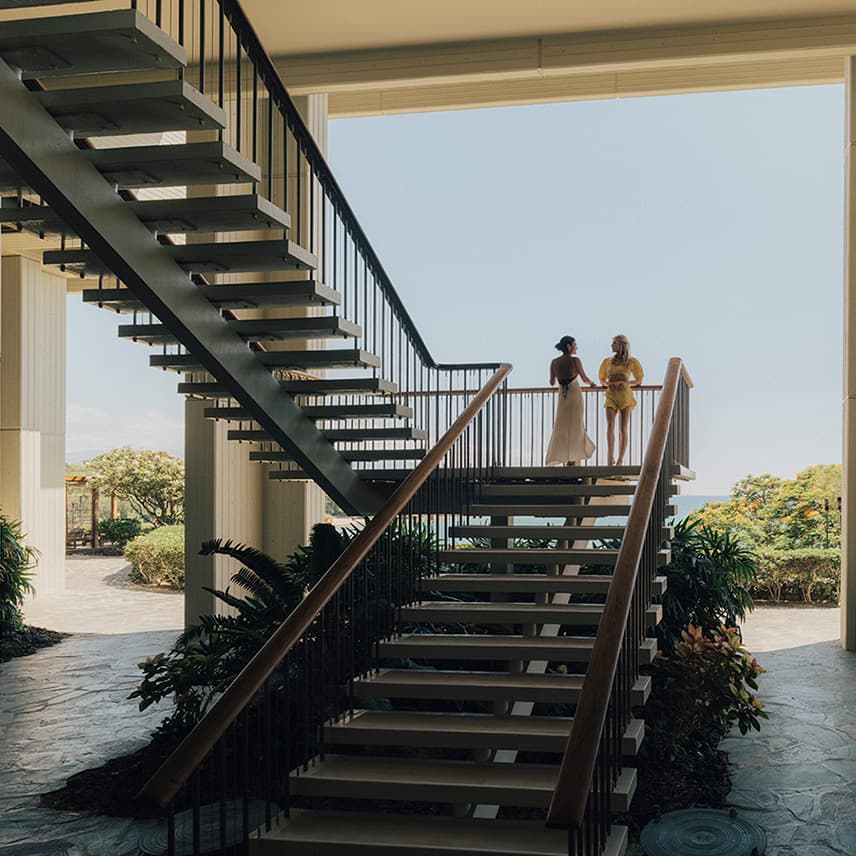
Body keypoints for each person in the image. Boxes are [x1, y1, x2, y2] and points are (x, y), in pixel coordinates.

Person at [545, 335, 596, 466]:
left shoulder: (554, 362)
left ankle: (565, 458)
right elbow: (584, 378)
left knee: (562, 426)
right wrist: (592, 383)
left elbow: (551, 382)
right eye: (575, 345)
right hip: (574, 392)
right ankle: (573, 458)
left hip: (562, 394)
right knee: (576, 424)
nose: (576, 347)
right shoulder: (575, 361)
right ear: (569, 347)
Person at [598, 334, 644, 466]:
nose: (611, 346)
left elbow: (639, 379)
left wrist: (628, 384)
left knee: (623, 427)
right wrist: (606, 384)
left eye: (614, 343)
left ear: (621, 345)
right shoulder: (607, 362)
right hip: (611, 393)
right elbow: (602, 378)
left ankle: (620, 459)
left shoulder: (631, 361)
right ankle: (610, 457)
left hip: (624, 394)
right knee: (610, 425)